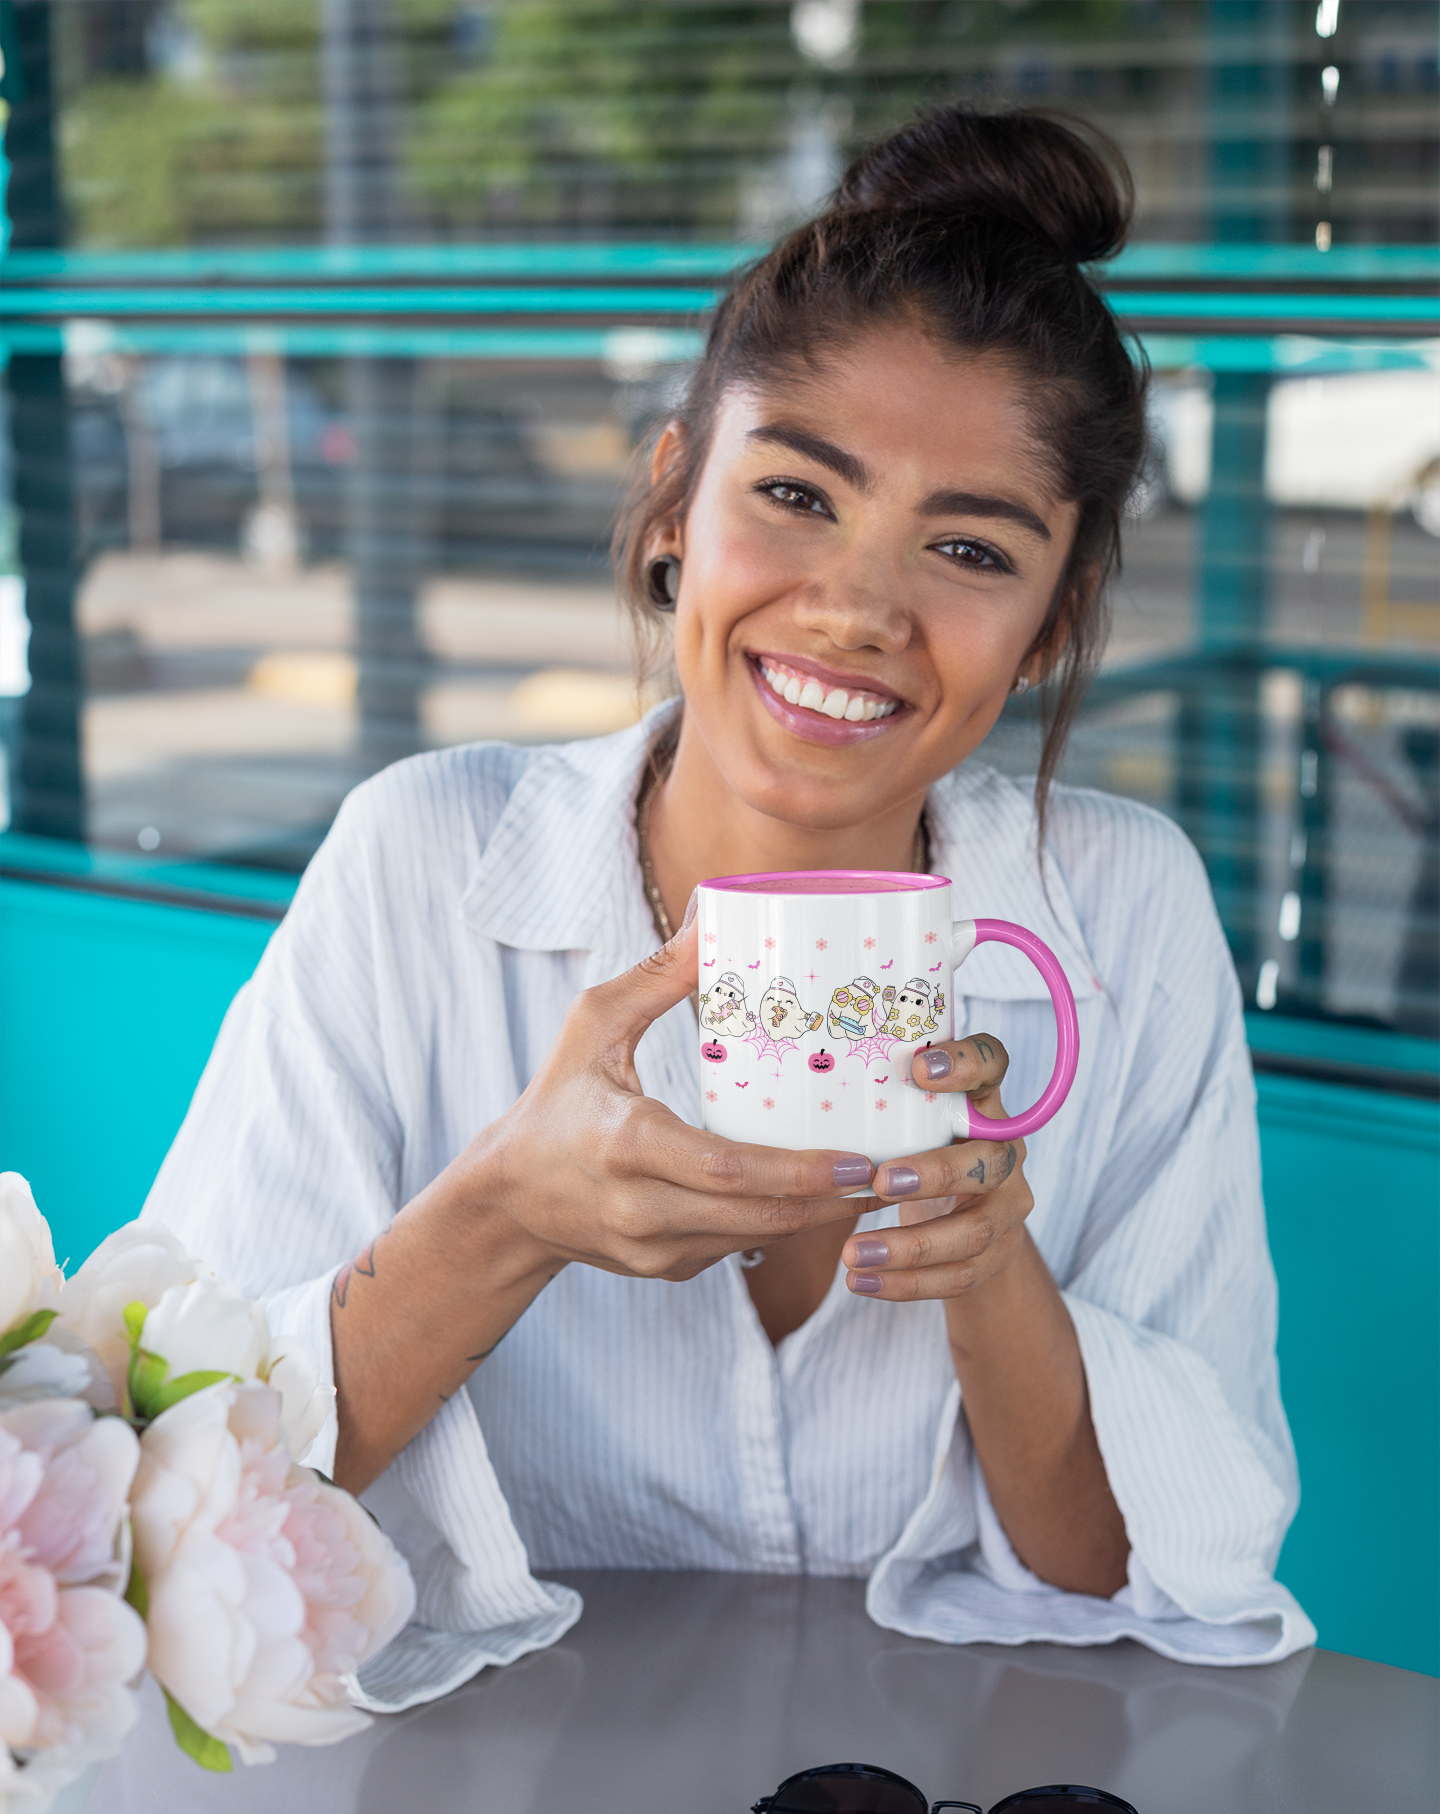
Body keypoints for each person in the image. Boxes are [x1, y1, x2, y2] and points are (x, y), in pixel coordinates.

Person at [148, 105, 1313, 1709]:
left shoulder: (1124, 908)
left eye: (970, 548)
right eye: (799, 495)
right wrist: (501, 1222)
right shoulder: (417, 862)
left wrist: (990, 1271)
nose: (856, 610)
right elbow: (180, 1486)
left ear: (1055, 622)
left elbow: (1112, 1564)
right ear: (676, 502)